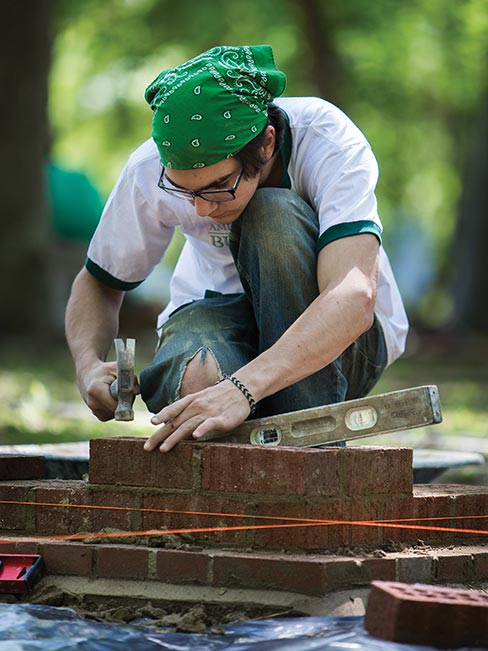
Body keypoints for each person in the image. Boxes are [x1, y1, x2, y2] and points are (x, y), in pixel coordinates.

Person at [65, 45, 408, 454]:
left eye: (218, 186)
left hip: (347, 344)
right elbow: (98, 283)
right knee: (197, 384)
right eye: (185, 191)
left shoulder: (328, 140)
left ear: (265, 143)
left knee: (271, 212)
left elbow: (353, 298)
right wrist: (88, 364)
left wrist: (244, 387)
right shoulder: (149, 169)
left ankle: (312, 452)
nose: (203, 209)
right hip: (218, 313)